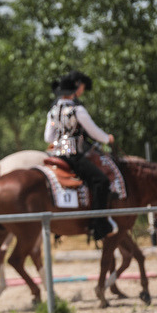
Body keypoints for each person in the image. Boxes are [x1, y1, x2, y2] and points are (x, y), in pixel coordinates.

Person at [43, 74, 117, 241]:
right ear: (74, 92)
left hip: (55, 154)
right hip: (73, 155)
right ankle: (98, 225)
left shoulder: (53, 112)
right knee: (101, 181)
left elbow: (48, 137)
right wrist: (108, 138)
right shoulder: (77, 110)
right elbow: (94, 132)